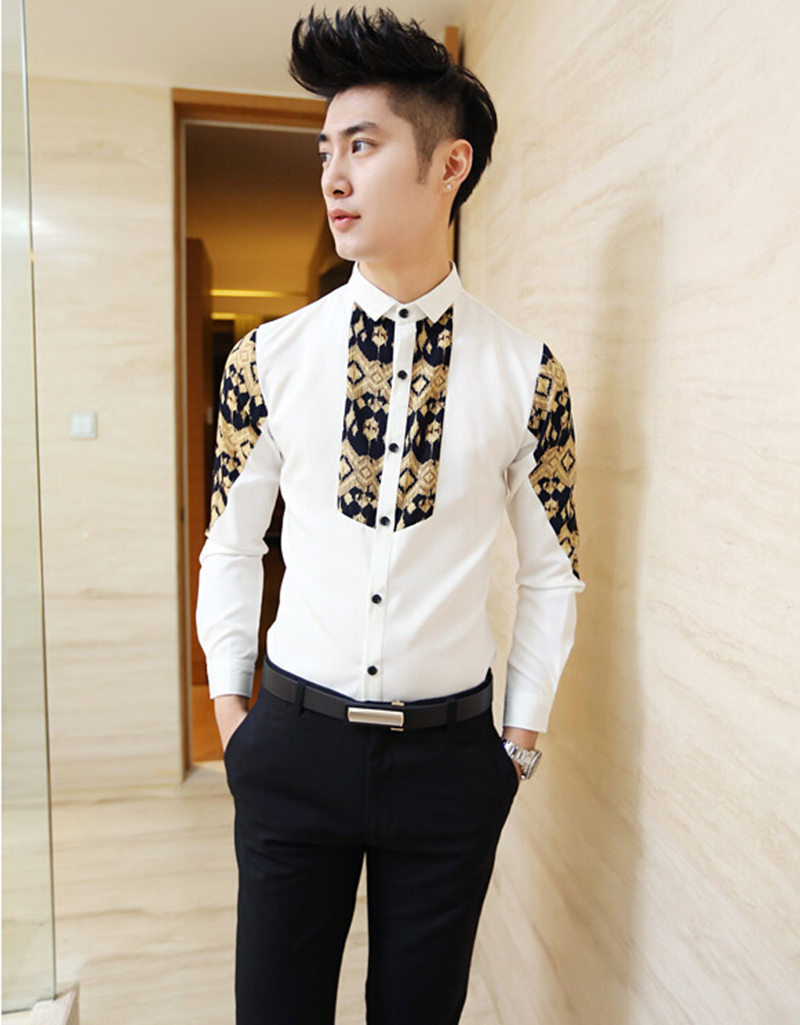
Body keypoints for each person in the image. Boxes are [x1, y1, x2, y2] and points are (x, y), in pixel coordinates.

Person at [196, 8, 584, 1024]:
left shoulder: (528, 375)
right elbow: (230, 544)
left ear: (449, 165)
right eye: (324, 150)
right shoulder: (266, 360)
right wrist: (235, 720)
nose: (332, 175)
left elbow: (551, 570)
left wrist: (517, 744)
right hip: (292, 745)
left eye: (361, 146)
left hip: (449, 767)